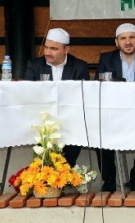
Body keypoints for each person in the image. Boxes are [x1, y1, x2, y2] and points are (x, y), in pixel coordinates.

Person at [23, 28, 93, 186]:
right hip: (42, 119)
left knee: (77, 132)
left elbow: (82, 97)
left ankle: (62, 179)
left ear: (66, 49)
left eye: (54, 49)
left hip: (70, 119)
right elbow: (27, 94)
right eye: (46, 47)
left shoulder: (79, 66)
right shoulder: (34, 65)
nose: (48, 52)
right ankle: (48, 181)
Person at [95, 23, 135, 192]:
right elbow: (99, 86)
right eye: (123, 38)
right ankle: (109, 179)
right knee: (100, 136)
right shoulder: (106, 59)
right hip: (114, 111)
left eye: (132, 37)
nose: (128, 42)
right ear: (116, 42)